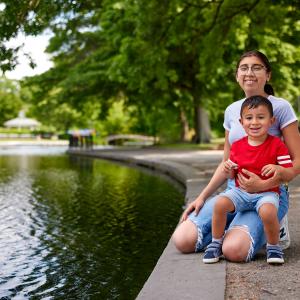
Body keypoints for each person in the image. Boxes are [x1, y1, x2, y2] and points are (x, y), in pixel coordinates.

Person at [172, 50, 300, 262]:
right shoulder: (232, 111)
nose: (249, 72)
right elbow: (226, 163)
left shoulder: (281, 107)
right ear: (237, 75)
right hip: (235, 193)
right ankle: (232, 225)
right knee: (183, 240)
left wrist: (266, 182)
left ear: (268, 75)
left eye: (256, 67)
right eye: (244, 68)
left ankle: (274, 227)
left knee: (234, 251)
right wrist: (202, 197)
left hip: (268, 193)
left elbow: (297, 162)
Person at [203, 95, 293, 265]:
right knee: (220, 204)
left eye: (261, 117)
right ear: (241, 121)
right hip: (240, 192)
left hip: (266, 192)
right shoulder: (237, 146)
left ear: (271, 120)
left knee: (268, 211)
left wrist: (277, 169)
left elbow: (287, 170)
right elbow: (231, 175)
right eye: (249, 118)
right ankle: (216, 242)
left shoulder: (277, 145)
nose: (254, 122)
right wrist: (228, 169)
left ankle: (273, 246)